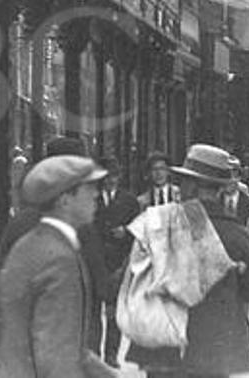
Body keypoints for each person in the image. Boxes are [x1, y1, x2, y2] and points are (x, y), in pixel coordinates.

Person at [0, 155, 116, 377]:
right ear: (65, 200)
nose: (96, 195)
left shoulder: (31, 244)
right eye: (88, 189)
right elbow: (56, 351)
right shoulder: (59, 259)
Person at [167, 144, 249, 378]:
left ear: (191, 186)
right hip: (221, 344)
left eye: (183, 182)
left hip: (172, 343)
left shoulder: (169, 227)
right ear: (221, 190)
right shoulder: (237, 233)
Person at [93, 156, 139, 367]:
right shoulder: (92, 199)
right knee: (94, 311)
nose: (111, 180)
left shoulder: (129, 201)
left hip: (118, 263)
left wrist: (126, 232)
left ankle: (111, 354)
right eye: (107, 176)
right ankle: (93, 353)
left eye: (115, 176)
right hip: (96, 261)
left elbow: (139, 229)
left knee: (113, 312)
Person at [223, 155, 249, 226]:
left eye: (234, 176)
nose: (229, 181)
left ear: (239, 177)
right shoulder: (215, 200)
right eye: (225, 177)